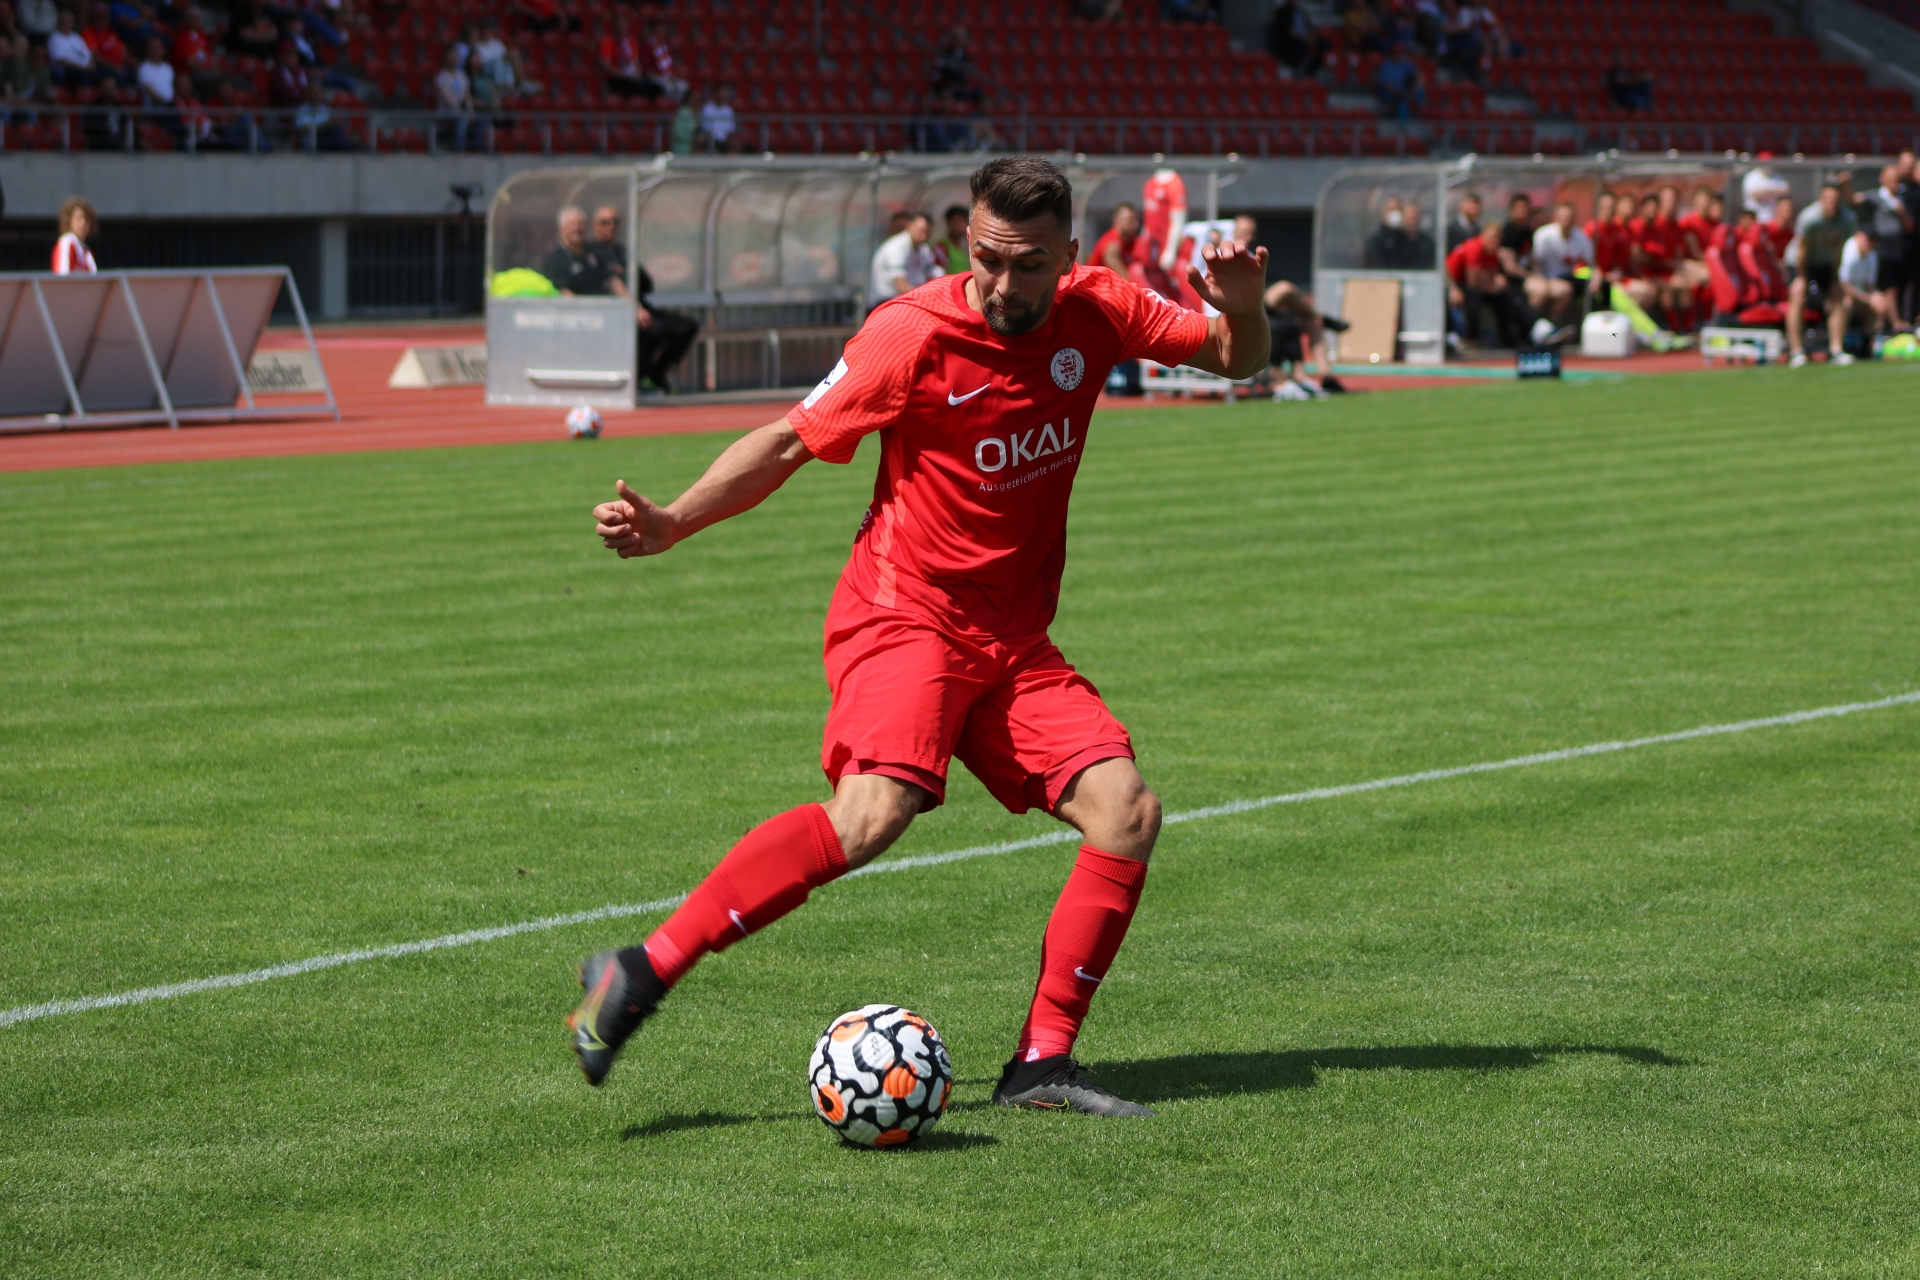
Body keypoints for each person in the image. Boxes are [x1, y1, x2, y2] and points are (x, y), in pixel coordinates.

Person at [570, 156, 1274, 1116]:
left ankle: (1041, 1066)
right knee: (871, 816)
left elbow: (1237, 357)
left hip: (1013, 638)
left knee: (1126, 813)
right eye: (986, 257)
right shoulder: (909, 333)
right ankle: (640, 969)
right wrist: (674, 522)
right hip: (905, 614)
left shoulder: (1101, 306)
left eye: (1029, 264)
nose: (1003, 283)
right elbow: (787, 440)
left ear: (1070, 256)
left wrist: (1245, 307)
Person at [591, 203, 701, 394]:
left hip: (642, 307)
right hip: (616, 313)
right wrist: (634, 308)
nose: (611, 226)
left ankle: (657, 374)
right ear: (595, 225)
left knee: (686, 326)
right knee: (649, 328)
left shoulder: (622, 252)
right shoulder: (593, 252)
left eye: (615, 222)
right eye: (605, 222)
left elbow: (646, 282)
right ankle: (639, 379)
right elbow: (612, 281)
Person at [1787, 182, 1860, 367]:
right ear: (1821, 199)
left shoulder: (1847, 219)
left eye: (1835, 199)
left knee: (1838, 296)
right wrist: (1801, 278)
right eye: (1828, 199)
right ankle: (1796, 352)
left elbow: (1839, 250)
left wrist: (1835, 278)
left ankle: (1836, 350)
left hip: (1824, 261)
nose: (1831, 203)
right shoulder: (1810, 218)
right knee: (1798, 297)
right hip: (1800, 262)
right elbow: (1802, 250)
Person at [1862, 164, 1913, 329]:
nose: (1893, 183)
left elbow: (1910, 227)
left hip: (1896, 252)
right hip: (1879, 252)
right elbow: (1853, 200)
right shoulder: (1875, 197)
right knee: (1888, 290)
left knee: (1895, 289)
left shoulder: (1901, 199)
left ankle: (1887, 324)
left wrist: (1902, 212)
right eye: (1891, 179)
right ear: (1882, 179)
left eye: (1896, 180)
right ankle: (1894, 324)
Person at [1528, 200, 1591, 324]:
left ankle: (1549, 325)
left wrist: (1596, 280)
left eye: (1570, 217)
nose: (1567, 221)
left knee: (1593, 288)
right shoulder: (1544, 236)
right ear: (1556, 218)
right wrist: (1543, 281)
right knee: (1544, 291)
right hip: (1542, 278)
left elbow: (1591, 261)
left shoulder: (1580, 236)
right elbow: (1535, 263)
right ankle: (1530, 324)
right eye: (1563, 217)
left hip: (1564, 278)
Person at [1836, 230, 1893, 353]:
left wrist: (1876, 298)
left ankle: (1866, 344)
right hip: (1845, 296)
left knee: (1879, 304)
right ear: (1858, 236)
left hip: (1861, 296)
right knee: (1847, 304)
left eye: (1872, 241)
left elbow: (1870, 285)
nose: (1870, 244)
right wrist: (1868, 299)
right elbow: (1845, 286)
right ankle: (1839, 346)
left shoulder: (1872, 256)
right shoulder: (1850, 251)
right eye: (1868, 239)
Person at [867, 210, 940, 306]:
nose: (923, 236)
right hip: (883, 303)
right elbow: (902, 287)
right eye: (921, 231)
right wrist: (928, 296)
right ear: (909, 226)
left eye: (927, 233)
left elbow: (932, 278)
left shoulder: (924, 250)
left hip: (903, 301)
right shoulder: (896, 248)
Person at [432, 45, 471, 151]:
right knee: (462, 119)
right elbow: (446, 99)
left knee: (483, 120)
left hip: (461, 111)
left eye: (455, 57)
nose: (454, 59)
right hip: (446, 112)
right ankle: (459, 148)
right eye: (451, 57)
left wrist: (470, 111)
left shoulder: (462, 75)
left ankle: (476, 148)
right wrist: (459, 111)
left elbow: (467, 96)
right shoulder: (442, 77)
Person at [1374, 40, 1423, 119]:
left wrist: (1414, 89)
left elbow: (1418, 75)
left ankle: (1423, 115)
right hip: (1389, 93)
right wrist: (1401, 93)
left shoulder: (1406, 64)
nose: (1398, 55)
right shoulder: (1385, 66)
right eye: (1396, 52)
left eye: (1401, 53)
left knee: (1419, 92)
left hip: (1404, 91)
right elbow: (1386, 85)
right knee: (1402, 100)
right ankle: (1403, 124)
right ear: (1392, 53)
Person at [52, 196, 98, 274]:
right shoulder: (66, 242)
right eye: (78, 219)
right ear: (69, 221)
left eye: (86, 219)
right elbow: (62, 275)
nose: (83, 223)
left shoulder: (87, 252)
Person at [696, 82, 740, 154]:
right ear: (716, 93)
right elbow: (703, 128)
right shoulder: (707, 108)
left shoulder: (729, 110)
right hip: (709, 140)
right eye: (721, 93)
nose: (723, 95)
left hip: (724, 142)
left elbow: (731, 130)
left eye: (725, 93)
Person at [932, 204, 970, 276]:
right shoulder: (941, 247)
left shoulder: (962, 248)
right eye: (957, 222)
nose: (961, 226)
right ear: (948, 223)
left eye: (964, 222)